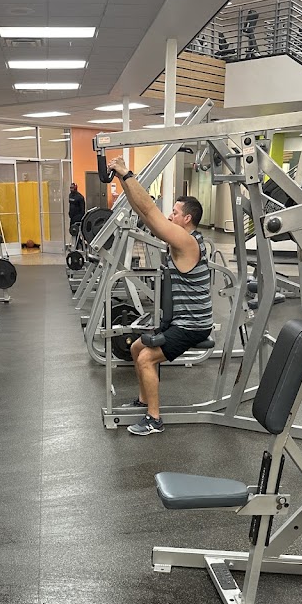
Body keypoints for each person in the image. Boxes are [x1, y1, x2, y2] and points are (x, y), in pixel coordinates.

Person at [107, 156, 213, 436]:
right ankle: (144, 400)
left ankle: (154, 419)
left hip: (192, 325)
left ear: (187, 218)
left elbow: (151, 211)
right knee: (135, 348)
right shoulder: (182, 239)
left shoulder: (187, 242)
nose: (169, 216)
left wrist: (127, 174)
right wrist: (123, 183)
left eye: (175, 213)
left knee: (146, 358)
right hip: (179, 320)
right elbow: (145, 214)